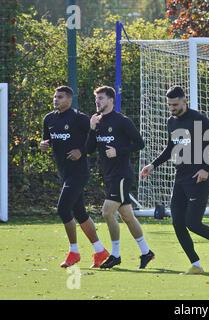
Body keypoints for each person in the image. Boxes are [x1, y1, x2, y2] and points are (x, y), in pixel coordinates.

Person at [140, 86, 209, 275]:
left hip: (198, 178)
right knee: (177, 222)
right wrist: (152, 165)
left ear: (184, 100)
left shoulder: (197, 119)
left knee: (193, 223)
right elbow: (170, 148)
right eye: (169, 105)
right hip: (180, 177)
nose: (172, 108)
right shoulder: (171, 122)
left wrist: (206, 168)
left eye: (175, 104)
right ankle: (196, 265)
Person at [40, 86, 109, 268]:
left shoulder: (79, 118)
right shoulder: (49, 118)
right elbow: (47, 140)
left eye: (60, 97)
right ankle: (100, 251)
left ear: (69, 99)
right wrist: (43, 145)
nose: (56, 99)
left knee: (63, 209)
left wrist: (82, 151)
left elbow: (95, 139)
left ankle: (74, 252)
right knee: (80, 213)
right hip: (64, 173)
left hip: (79, 172)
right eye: (54, 96)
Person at [86, 86, 154, 269]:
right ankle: (146, 252)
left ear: (111, 100)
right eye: (96, 99)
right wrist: (92, 129)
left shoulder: (122, 121)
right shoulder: (97, 122)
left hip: (121, 175)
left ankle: (115, 255)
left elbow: (140, 143)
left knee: (107, 212)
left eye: (101, 98)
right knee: (127, 216)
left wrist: (119, 151)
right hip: (109, 176)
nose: (97, 101)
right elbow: (89, 149)